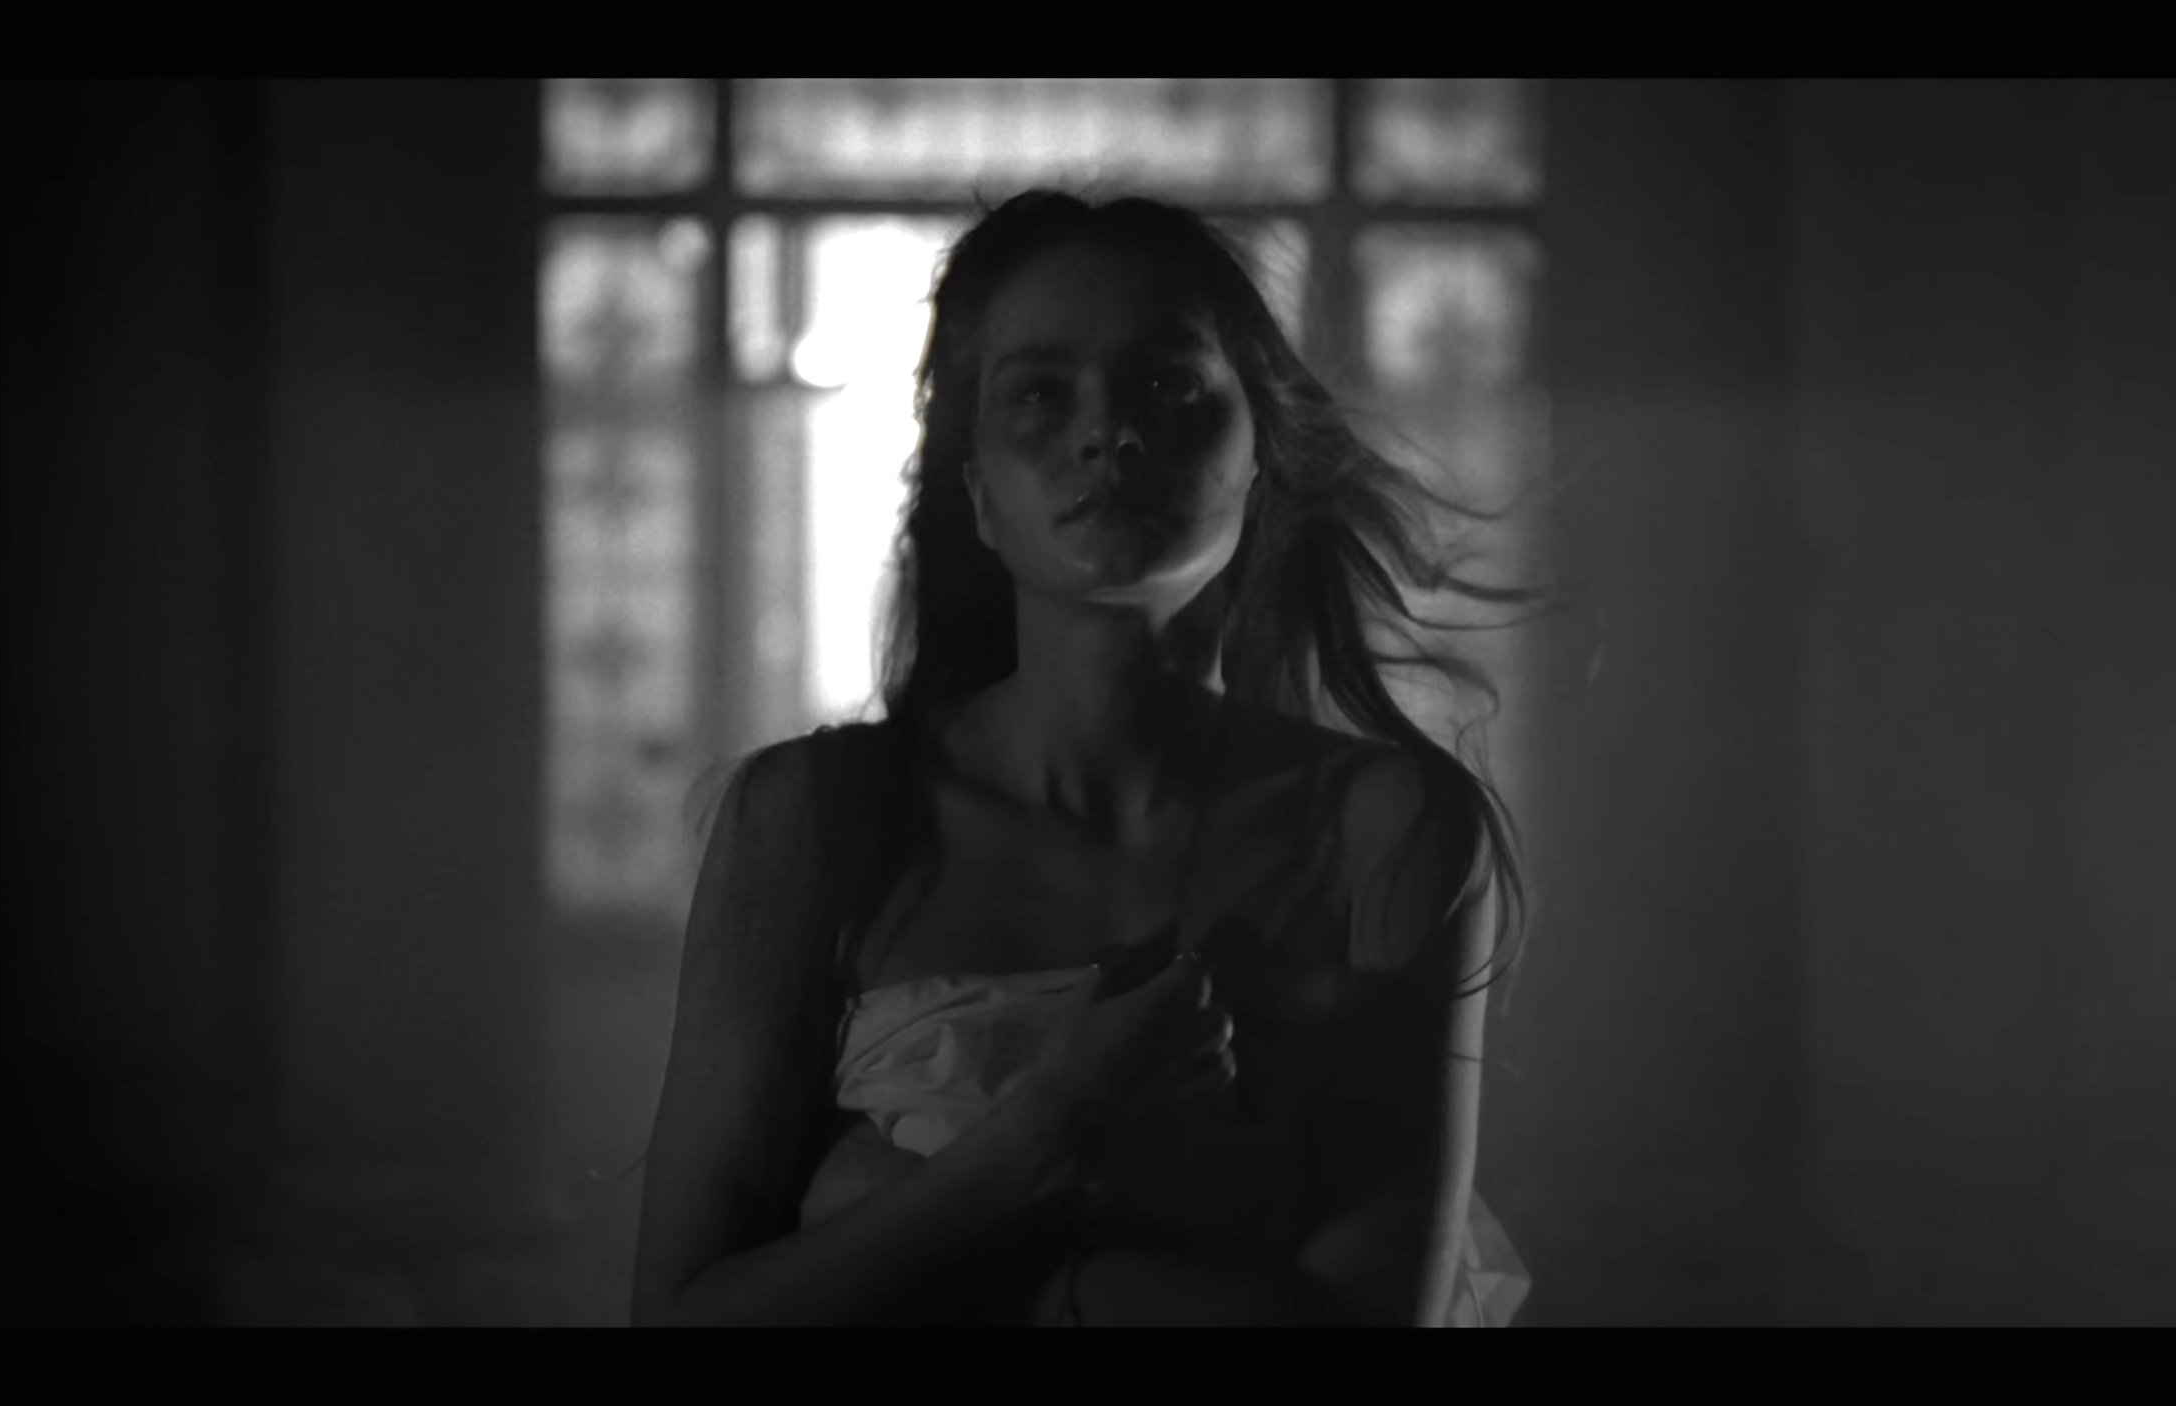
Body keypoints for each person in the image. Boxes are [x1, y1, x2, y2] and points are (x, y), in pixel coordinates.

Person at [631, 189, 1537, 1326]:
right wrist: (1038, 1140)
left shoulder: (1383, 829)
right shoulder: (819, 818)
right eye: (1039, 393)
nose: (1107, 434)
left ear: (1259, 452)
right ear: (978, 492)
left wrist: (884, 1210)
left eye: (1167, 385)